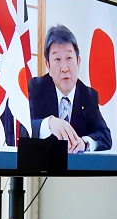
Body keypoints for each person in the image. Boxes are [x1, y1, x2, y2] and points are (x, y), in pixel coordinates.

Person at [28, 24, 112, 153]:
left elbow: (105, 136)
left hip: (76, 171)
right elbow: (22, 128)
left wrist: (84, 143)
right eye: (57, 59)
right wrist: (48, 124)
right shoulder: (36, 88)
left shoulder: (88, 95)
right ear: (48, 66)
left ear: (78, 62)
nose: (65, 68)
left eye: (69, 58)